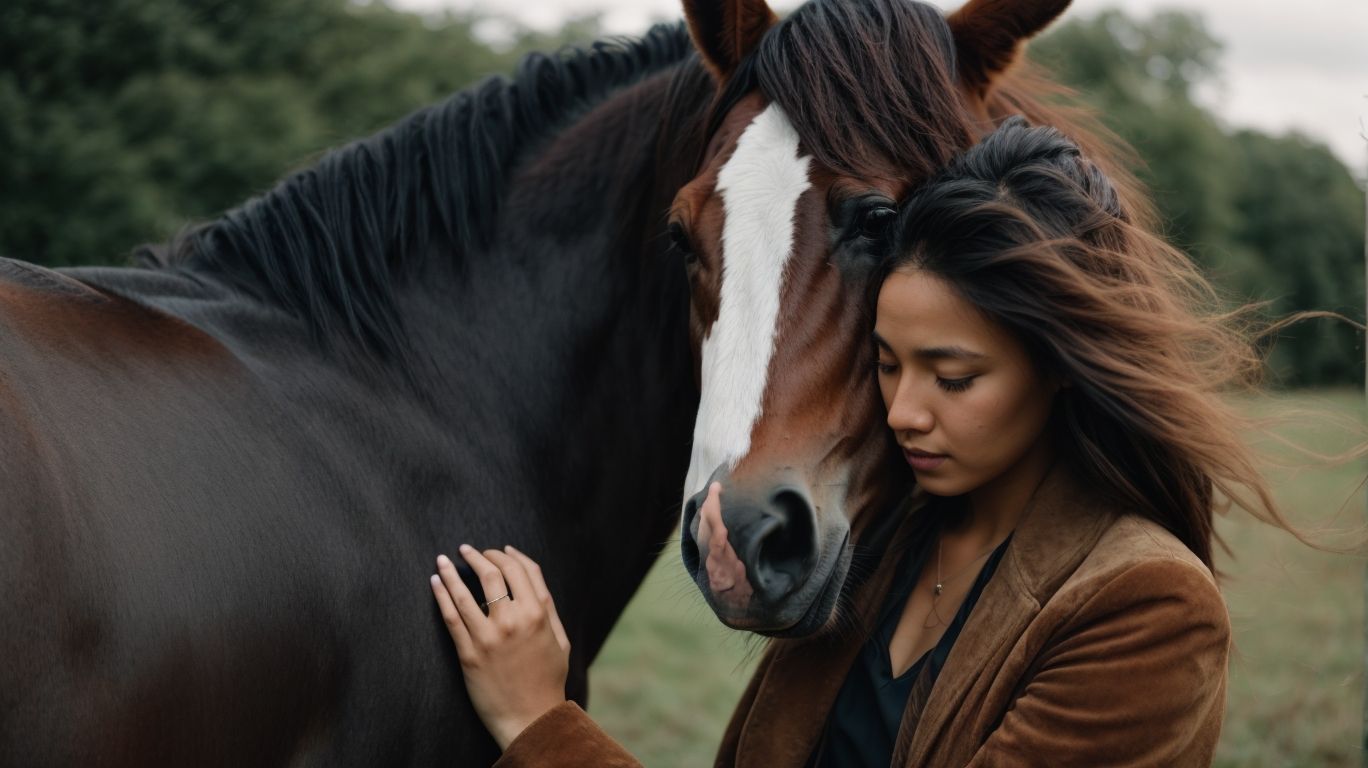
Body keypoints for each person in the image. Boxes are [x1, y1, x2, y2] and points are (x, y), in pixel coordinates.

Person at [427, 117, 1315, 766]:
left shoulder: (1145, 609)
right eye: (888, 364)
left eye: (953, 377)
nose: (904, 411)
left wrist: (541, 724)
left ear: (1060, 368)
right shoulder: (883, 539)